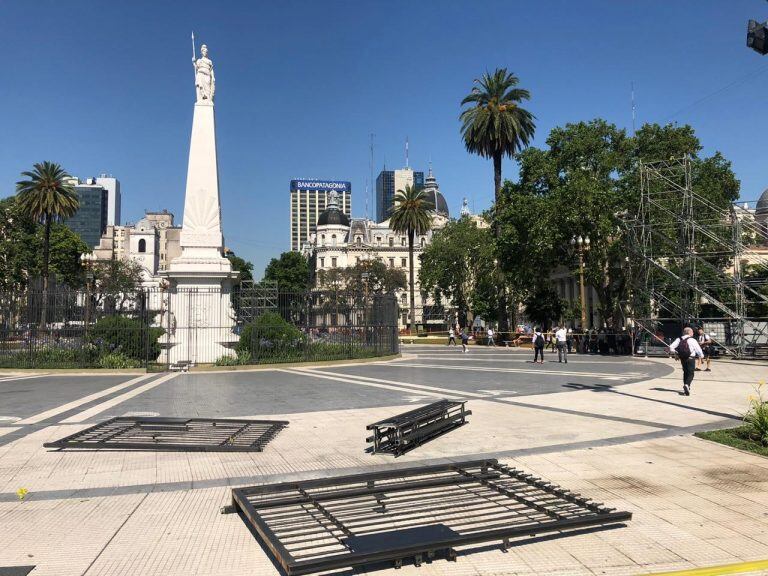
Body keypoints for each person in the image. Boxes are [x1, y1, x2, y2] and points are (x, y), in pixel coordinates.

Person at [669, 327, 705, 396]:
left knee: (685, 372)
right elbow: (698, 350)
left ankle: (686, 387)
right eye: (692, 332)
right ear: (689, 332)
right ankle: (687, 385)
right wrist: (702, 356)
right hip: (691, 358)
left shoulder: (679, 339)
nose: (693, 333)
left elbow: (671, 347)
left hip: (682, 358)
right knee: (691, 373)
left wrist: (676, 353)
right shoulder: (692, 340)